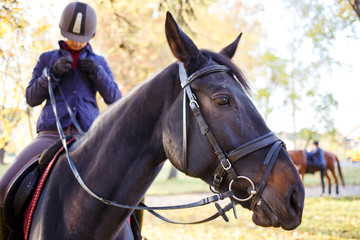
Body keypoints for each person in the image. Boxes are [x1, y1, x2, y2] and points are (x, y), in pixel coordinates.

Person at [0, 2, 121, 237]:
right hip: (49, 136)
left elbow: (115, 99)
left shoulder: (100, 63)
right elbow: (31, 98)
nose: (76, 42)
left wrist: (98, 74)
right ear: (61, 30)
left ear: (92, 36)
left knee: (126, 184)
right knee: (3, 186)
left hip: (88, 138)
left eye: (82, 38)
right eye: (70, 36)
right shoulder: (46, 59)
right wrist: (50, 74)